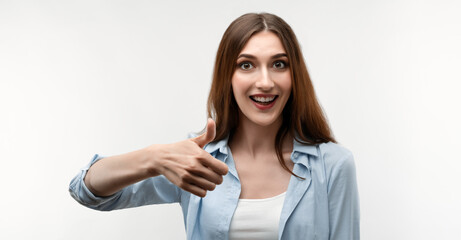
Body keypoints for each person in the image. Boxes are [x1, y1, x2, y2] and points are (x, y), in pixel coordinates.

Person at [69, 12, 360, 240]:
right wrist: (153, 158)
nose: (265, 82)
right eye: (246, 65)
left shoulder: (332, 165)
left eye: (279, 64)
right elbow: (86, 190)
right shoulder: (197, 158)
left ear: (294, 75)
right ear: (228, 76)